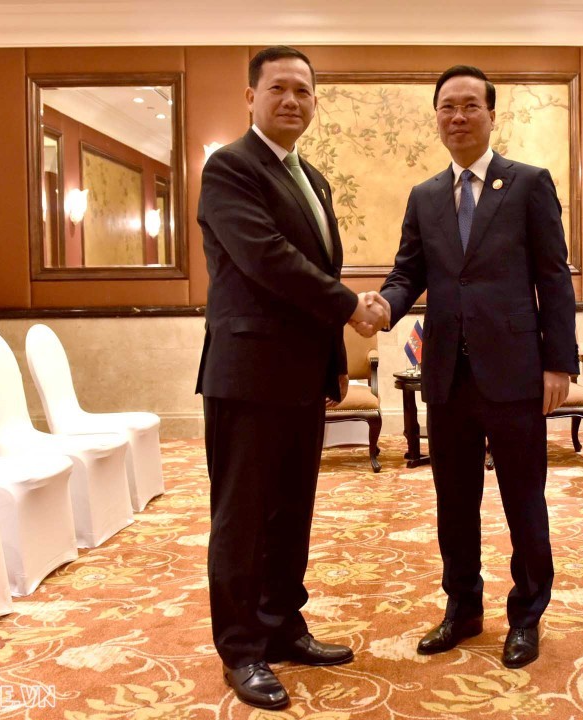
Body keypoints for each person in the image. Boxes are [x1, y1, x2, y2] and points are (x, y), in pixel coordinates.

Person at [196, 45, 388, 711]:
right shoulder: (229, 168)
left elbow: (310, 265)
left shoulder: (313, 178)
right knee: (243, 518)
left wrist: (336, 355)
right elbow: (266, 258)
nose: (291, 101)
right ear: (250, 96)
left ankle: (283, 627)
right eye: (277, 88)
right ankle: (242, 650)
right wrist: (348, 307)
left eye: (303, 91)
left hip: (302, 376)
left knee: (290, 515)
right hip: (247, 375)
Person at [369, 64, 578, 669]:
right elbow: (410, 271)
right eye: (446, 108)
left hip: (515, 373)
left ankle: (527, 614)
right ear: (435, 117)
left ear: (491, 114)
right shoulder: (425, 195)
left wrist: (558, 363)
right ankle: (461, 610)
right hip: (448, 376)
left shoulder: (529, 184)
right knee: (453, 502)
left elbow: (553, 278)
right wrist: (385, 304)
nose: (457, 117)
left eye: (469, 106)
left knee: (523, 501)